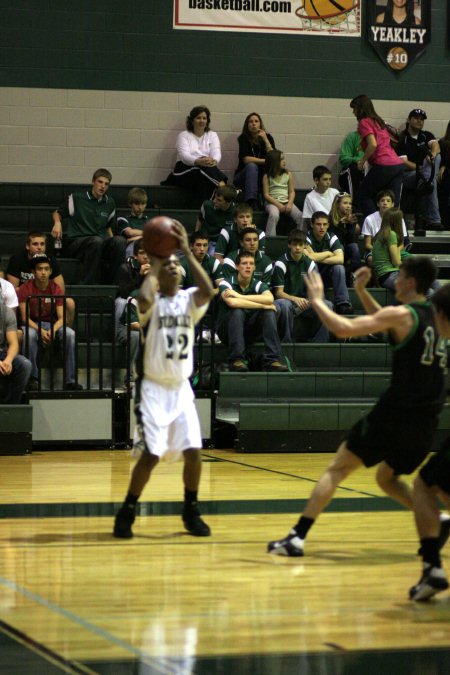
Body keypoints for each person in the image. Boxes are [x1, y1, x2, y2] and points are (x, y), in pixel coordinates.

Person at [268, 256, 449, 558]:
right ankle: (437, 519)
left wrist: (317, 300)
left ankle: (296, 537)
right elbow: (390, 324)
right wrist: (363, 292)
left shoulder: (403, 314)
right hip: (426, 421)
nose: (396, 280)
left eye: (400, 275)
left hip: (395, 413)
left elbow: (343, 328)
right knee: (386, 479)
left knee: (337, 469)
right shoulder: (437, 317)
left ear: (411, 282)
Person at [113, 222, 215, 539]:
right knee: (151, 455)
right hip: (153, 389)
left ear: (182, 273)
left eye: (176, 265)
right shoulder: (151, 303)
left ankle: (190, 510)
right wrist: (156, 261)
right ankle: (127, 510)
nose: (172, 267)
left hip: (182, 388)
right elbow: (144, 296)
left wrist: (184, 251)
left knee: (194, 451)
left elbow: (208, 290)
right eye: (167, 264)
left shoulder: (189, 301)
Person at [17, 254, 82, 391]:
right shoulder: (25, 289)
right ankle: (32, 379)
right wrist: (40, 331)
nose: (43, 272)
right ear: (33, 272)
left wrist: (52, 330)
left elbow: (62, 317)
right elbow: (24, 318)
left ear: (51, 271)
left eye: (46, 269)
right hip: (32, 324)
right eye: (40, 269)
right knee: (29, 335)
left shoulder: (55, 288)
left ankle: (70, 381)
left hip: (51, 324)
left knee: (70, 334)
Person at [51, 168, 126, 284]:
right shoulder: (77, 198)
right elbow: (58, 213)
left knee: (120, 241)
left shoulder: (110, 203)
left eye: (106, 184)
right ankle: (87, 283)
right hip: (77, 242)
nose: (103, 186)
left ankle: (112, 283)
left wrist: (113, 241)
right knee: (96, 241)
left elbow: (108, 227)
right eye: (100, 182)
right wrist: (57, 222)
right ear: (93, 182)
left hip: (99, 243)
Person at [216, 252, 288, 373]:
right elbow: (232, 303)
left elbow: (269, 299)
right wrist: (261, 305)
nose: (248, 266)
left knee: (269, 313)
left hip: (248, 332)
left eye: (251, 264)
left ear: (254, 267)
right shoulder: (226, 283)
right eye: (244, 263)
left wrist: (238, 295)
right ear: (237, 267)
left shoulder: (258, 284)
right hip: (227, 332)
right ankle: (236, 360)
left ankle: (272, 360)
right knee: (238, 311)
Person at [350, 95, 405, 217]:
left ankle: (375, 226)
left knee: (363, 194)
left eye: (354, 108)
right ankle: (393, 230)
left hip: (383, 164)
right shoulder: (378, 121)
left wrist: (362, 160)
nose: (353, 112)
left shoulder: (364, 122)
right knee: (392, 201)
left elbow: (373, 144)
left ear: (360, 108)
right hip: (397, 164)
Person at [6, 230, 75, 326]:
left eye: (42, 244)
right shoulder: (17, 259)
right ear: (27, 246)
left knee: (69, 302)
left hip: (47, 298)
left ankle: (64, 333)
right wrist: (30, 293)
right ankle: (17, 330)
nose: (39, 247)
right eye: (35, 244)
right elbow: (12, 291)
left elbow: (60, 290)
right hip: (25, 298)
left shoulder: (50, 259)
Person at [272, 229, 331, 343]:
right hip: (286, 301)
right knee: (284, 305)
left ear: (305, 246)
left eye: (300, 245)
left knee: (327, 305)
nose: (298, 248)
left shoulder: (310, 263)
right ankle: (286, 342)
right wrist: (296, 299)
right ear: (289, 245)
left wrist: (309, 300)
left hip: (304, 303)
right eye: (294, 244)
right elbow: (278, 293)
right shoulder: (281, 263)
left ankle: (319, 343)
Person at [163, 105, 227, 204]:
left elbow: (216, 152)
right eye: (198, 118)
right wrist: (198, 161)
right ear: (192, 121)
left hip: (206, 170)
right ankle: (225, 188)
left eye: (204, 118)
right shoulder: (184, 135)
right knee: (199, 169)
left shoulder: (212, 135)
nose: (202, 121)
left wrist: (214, 161)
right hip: (183, 170)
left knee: (204, 179)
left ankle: (206, 207)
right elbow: (184, 157)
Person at [396, 108, 442, 230]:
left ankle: (427, 181)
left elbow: (436, 146)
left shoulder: (426, 135)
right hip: (408, 176)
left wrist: (431, 154)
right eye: (416, 118)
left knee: (437, 157)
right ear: (409, 120)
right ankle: (433, 220)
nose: (419, 121)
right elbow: (404, 162)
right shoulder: (403, 138)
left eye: (422, 119)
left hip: (424, 174)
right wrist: (422, 169)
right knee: (429, 179)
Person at [305, 211, 353, 314]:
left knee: (339, 267)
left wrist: (316, 256)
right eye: (318, 224)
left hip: (327, 274)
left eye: (325, 224)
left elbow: (340, 259)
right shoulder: (306, 237)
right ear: (312, 225)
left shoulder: (332, 237)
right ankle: (320, 301)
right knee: (312, 265)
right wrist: (328, 253)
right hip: (310, 276)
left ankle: (342, 303)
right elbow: (309, 257)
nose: (322, 227)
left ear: (328, 225)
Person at [180, 231, 223, 344]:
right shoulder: (182, 264)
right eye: (198, 245)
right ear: (191, 246)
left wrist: (211, 291)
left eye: (205, 245)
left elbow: (222, 287)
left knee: (224, 296)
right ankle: (202, 331)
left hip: (209, 300)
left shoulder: (213, 263)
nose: (202, 249)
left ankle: (216, 332)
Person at [234, 112, 275, 209]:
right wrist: (265, 161)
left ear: (260, 124)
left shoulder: (268, 137)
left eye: (256, 121)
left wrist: (265, 140)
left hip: (262, 177)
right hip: (242, 177)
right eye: (250, 122)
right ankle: (251, 201)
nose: (253, 124)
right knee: (252, 166)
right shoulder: (243, 138)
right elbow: (246, 159)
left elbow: (274, 158)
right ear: (247, 125)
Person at [362, 189, 409, 266]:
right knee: (371, 260)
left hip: (395, 250)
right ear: (377, 204)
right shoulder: (369, 219)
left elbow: (401, 244)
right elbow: (367, 244)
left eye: (388, 201)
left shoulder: (399, 219)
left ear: (393, 204)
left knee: (413, 261)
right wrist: (383, 252)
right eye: (382, 201)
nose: (385, 203)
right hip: (375, 250)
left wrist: (393, 252)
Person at [262, 150, 304, 236]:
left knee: (301, 216)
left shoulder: (288, 174)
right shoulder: (267, 176)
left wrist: (289, 204)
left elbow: (292, 191)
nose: (284, 161)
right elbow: (266, 195)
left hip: (286, 201)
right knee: (274, 215)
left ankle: (300, 238)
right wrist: (278, 205)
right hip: (272, 203)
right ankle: (270, 239)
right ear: (274, 162)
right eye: (281, 159)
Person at [0, 299, 31, 404]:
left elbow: (13, 343)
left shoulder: (7, 313)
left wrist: (8, 361)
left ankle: (11, 406)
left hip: (2, 352)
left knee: (25, 365)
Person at [195, 185, 237, 255]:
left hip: (222, 243)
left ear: (228, 202)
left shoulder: (235, 211)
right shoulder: (207, 206)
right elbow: (200, 220)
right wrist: (196, 236)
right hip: (207, 240)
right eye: (215, 198)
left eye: (219, 200)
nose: (214, 201)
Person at [328, 192, 362, 280]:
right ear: (338, 205)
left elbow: (352, 240)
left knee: (354, 247)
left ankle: (355, 274)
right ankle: (342, 275)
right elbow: (335, 240)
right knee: (341, 247)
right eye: (345, 203)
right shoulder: (330, 219)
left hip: (346, 249)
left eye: (350, 203)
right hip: (334, 250)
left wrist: (350, 225)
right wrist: (340, 225)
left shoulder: (352, 218)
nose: (348, 206)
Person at [117, 187, 150, 258]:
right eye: (137, 204)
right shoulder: (123, 219)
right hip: (132, 249)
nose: (140, 207)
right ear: (130, 204)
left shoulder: (149, 221)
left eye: (143, 203)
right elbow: (130, 233)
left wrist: (134, 238)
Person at [338, 130, 364, 201]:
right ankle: (353, 204)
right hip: (352, 172)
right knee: (353, 168)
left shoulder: (378, 137)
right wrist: (358, 160)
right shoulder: (353, 136)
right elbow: (343, 158)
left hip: (369, 171)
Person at [437, 120, 450, 229]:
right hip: (446, 174)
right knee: (445, 176)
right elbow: (442, 160)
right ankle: (445, 221)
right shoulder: (443, 142)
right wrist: (444, 165)